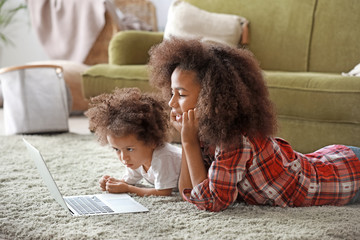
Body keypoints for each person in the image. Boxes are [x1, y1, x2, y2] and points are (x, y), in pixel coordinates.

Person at [148, 38, 360, 211]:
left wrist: (189, 142)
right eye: (172, 92)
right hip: (327, 160)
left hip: (347, 176)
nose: (171, 102)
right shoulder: (205, 130)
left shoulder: (235, 138)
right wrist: (189, 141)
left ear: (210, 96)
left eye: (182, 94)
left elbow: (210, 202)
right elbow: (190, 192)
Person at [85, 87, 182, 196]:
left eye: (129, 149)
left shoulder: (163, 158)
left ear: (151, 142)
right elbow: (128, 181)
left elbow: (163, 192)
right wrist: (111, 183)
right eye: (117, 149)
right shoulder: (136, 159)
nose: (123, 157)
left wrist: (128, 189)